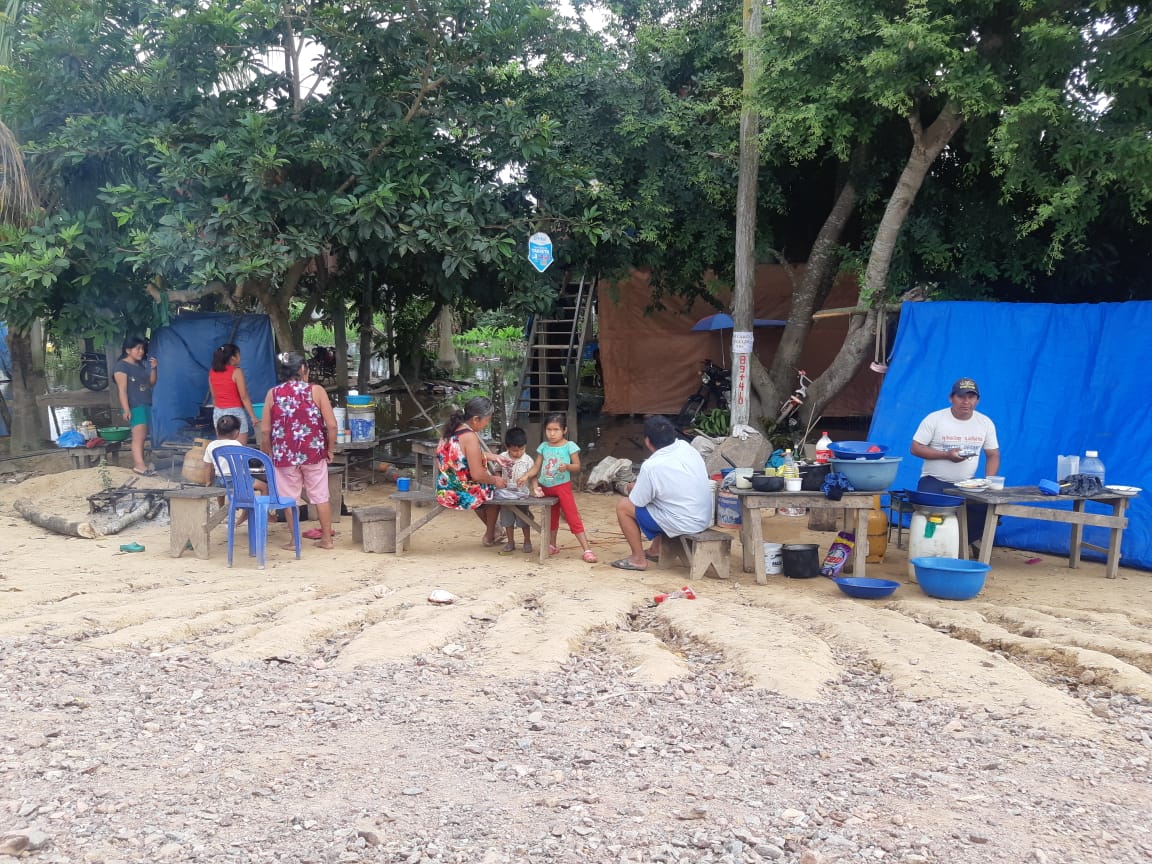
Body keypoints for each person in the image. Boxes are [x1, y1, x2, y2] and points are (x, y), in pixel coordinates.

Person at [910, 377, 1001, 551]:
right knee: (931, 507)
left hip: (967, 483)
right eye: (961, 397)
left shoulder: (985, 423)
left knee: (988, 506)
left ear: (977, 400)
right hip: (934, 480)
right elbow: (915, 448)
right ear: (951, 398)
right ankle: (934, 546)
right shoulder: (935, 419)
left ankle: (964, 543)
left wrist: (989, 481)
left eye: (971, 397)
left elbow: (993, 454)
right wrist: (946, 455)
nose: (966, 402)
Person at [612, 414, 713, 571]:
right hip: (703, 517)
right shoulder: (687, 448)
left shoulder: (652, 466)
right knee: (661, 500)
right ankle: (655, 550)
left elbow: (638, 502)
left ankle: (638, 559)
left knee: (623, 507)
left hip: (684, 521)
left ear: (647, 441)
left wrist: (632, 487)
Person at [259, 351, 338, 550]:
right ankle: (327, 540)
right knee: (320, 495)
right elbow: (332, 425)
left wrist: (268, 452)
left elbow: (265, 429)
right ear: (303, 370)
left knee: (289, 498)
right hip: (313, 453)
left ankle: (295, 541)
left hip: (284, 456)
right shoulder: (316, 391)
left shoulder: (273, 393)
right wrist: (330, 449)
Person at [435, 396, 509, 545]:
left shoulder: (450, 430)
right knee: (495, 490)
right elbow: (477, 475)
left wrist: (492, 457)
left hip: (444, 488)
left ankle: (494, 530)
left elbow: (459, 455)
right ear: (476, 419)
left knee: (480, 487)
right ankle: (491, 534)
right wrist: (496, 479)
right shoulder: (469, 436)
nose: (486, 424)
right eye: (486, 420)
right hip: (459, 492)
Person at [531, 413, 598, 563]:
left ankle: (587, 549)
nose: (552, 433)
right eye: (548, 429)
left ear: (564, 430)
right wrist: (527, 477)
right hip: (546, 487)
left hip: (562, 487)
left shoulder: (570, 446)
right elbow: (536, 466)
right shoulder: (543, 446)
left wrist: (567, 466)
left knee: (572, 516)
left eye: (556, 429)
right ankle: (552, 545)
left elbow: (577, 466)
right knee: (551, 518)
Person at [203, 415, 268, 523]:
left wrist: (208, 481)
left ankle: (222, 509)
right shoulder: (237, 444)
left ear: (217, 431)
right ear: (237, 433)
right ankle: (263, 515)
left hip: (220, 481)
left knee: (220, 485)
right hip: (238, 482)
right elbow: (242, 465)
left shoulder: (211, 445)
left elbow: (207, 466)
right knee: (264, 487)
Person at [113, 335, 157, 476]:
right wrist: (126, 409)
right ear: (128, 350)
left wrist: (154, 369)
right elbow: (122, 390)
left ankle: (141, 463)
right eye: (137, 348)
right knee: (138, 435)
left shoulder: (139, 365)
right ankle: (139, 465)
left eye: (142, 348)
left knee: (143, 435)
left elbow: (151, 383)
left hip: (145, 402)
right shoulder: (121, 366)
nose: (141, 351)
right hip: (134, 405)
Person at [493, 426, 537, 554]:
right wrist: (498, 479)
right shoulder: (502, 457)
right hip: (506, 495)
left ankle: (527, 541)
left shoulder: (527, 460)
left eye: (522, 449)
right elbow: (497, 470)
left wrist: (535, 487)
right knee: (507, 520)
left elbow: (533, 475)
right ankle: (510, 542)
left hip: (521, 495)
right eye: (514, 451)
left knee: (524, 520)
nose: (518, 453)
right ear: (507, 447)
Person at [209, 343, 259, 445]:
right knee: (239, 449)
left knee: (223, 448)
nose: (240, 357)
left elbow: (214, 397)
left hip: (218, 414)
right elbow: (244, 397)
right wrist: (253, 416)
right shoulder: (237, 372)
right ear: (233, 358)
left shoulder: (212, 372)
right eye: (239, 355)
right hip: (235, 413)